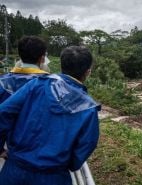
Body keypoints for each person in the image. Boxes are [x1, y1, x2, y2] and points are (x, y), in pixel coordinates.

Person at [0, 46, 100, 185]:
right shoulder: (88, 107)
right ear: (88, 72)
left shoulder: (36, 85)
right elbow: (87, 144)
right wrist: (69, 164)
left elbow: (3, 112)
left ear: (61, 65)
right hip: (53, 176)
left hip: (15, 171)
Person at [0, 36, 49, 157]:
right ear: (42, 58)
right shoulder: (51, 84)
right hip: (43, 150)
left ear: (19, 55)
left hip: (13, 150)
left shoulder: (2, 82)